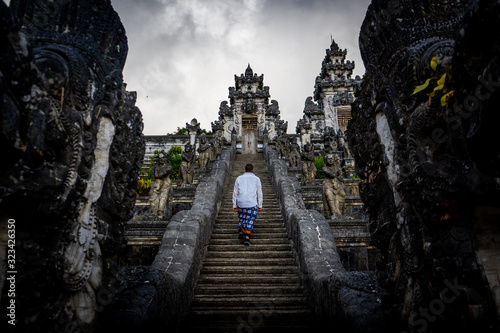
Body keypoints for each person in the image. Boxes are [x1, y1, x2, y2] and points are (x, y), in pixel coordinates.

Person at [232, 163, 263, 245]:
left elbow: (235, 193)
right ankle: (247, 237)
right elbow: (259, 193)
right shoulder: (256, 179)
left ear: (245, 170)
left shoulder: (239, 178)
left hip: (241, 202)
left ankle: (241, 229)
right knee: (249, 220)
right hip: (251, 203)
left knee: (242, 217)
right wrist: (260, 205)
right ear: (253, 170)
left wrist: (234, 205)